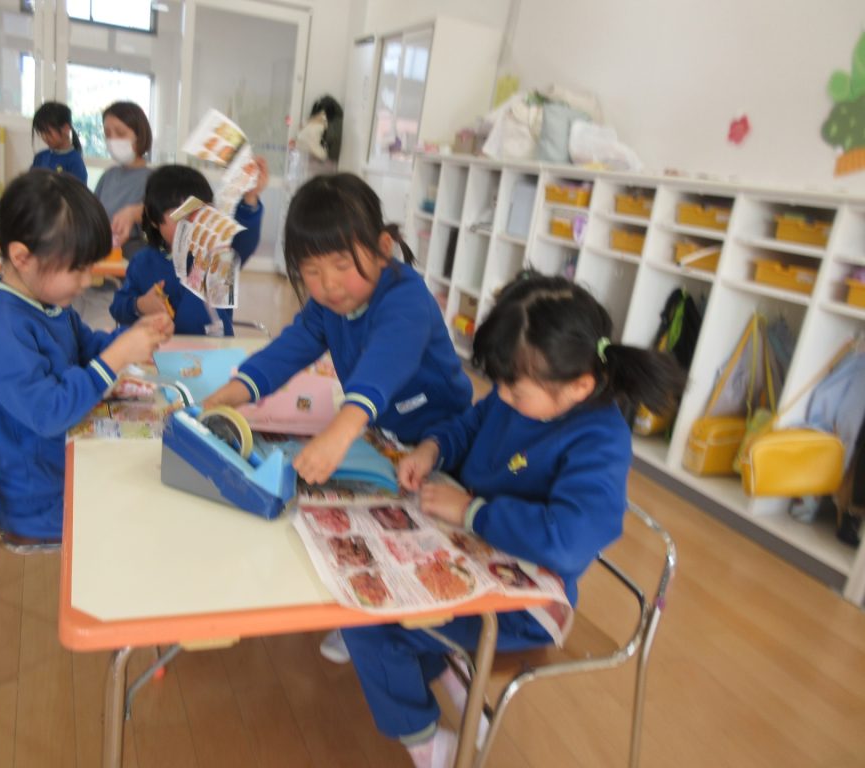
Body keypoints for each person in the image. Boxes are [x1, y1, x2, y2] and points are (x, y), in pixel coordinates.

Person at [340, 272, 685, 768]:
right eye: (499, 383)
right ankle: (454, 680)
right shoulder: (523, 395)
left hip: (527, 606)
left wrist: (472, 511)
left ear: (580, 386)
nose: (501, 397)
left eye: (515, 390)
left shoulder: (600, 440)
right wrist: (433, 448)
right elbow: (471, 423)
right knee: (375, 589)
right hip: (474, 556)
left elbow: (567, 540)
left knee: (369, 623)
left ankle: (428, 745)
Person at [203, 173, 474, 660]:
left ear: (383, 248)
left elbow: (385, 363)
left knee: (422, 534)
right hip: (384, 435)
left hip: (441, 439)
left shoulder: (407, 297)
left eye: (342, 264)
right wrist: (236, 391)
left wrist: (341, 430)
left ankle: (406, 627)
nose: (327, 284)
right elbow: (292, 346)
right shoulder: (329, 305)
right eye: (310, 270)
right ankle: (366, 612)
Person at [0, 170, 172, 542]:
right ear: (22, 257)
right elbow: (49, 413)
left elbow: (85, 347)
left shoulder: (45, 302)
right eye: (78, 269)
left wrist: (132, 337)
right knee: (155, 515)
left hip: (64, 461)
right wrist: (117, 356)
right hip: (38, 496)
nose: (88, 281)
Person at [108, 162, 267, 336]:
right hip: (160, 348)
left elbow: (243, 241)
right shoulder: (142, 261)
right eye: (180, 216)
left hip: (214, 348)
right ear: (154, 220)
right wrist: (140, 305)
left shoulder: (219, 257)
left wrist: (249, 200)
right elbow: (118, 307)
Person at [94, 101, 153, 258]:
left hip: (134, 258)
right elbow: (91, 214)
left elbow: (165, 216)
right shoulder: (108, 176)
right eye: (108, 134)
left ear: (140, 136)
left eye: (120, 133)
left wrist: (134, 213)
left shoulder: (153, 179)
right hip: (104, 254)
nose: (113, 140)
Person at [30, 101, 87, 184]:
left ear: (66, 129)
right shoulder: (40, 157)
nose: (44, 137)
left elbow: (79, 191)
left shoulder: (75, 161)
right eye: (41, 132)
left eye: (48, 132)